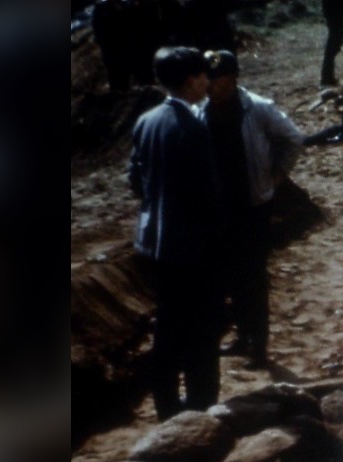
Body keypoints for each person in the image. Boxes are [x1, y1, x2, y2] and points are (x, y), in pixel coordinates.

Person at [128, 45, 225, 420]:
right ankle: (200, 408)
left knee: (167, 329)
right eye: (203, 76)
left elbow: (135, 179)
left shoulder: (147, 120)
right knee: (202, 329)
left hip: (154, 242)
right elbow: (208, 193)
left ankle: (167, 407)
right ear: (189, 80)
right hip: (193, 246)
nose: (207, 82)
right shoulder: (193, 127)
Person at [200, 49, 304, 369]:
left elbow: (293, 138)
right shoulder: (200, 111)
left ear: (231, 79)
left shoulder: (257, 108)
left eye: (215, 79)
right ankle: (241, 337)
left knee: (253, 277)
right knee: (229, 276)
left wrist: (275, 177)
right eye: (206, 79)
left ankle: (258, 346)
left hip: (253, 205)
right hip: (218, 207)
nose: (209, 85)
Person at [321, 0, 343, 86]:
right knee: (334, 43)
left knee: (335, 43)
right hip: (335, 11)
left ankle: (328, 76)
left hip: (334, 10)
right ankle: (327, 77)